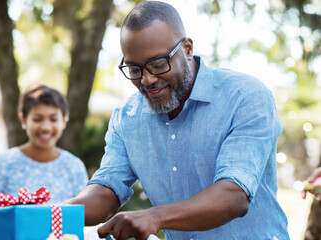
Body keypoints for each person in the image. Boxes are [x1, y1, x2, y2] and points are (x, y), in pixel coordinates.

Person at [64, 1, 290, 239]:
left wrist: (155, 216)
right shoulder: (126, 117)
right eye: (134, 69)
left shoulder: (245, 97)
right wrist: (54, 213)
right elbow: (107, 189)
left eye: (158, 64)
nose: (148, 79)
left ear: (187, 49)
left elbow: (234, 196)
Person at [0, 85, 88, 206]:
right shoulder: (0, 165)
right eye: (37, 119)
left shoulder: (74, 167)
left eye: (53, 119)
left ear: (64, 121)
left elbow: (81, 216)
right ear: (23, 119)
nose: (46, 127)